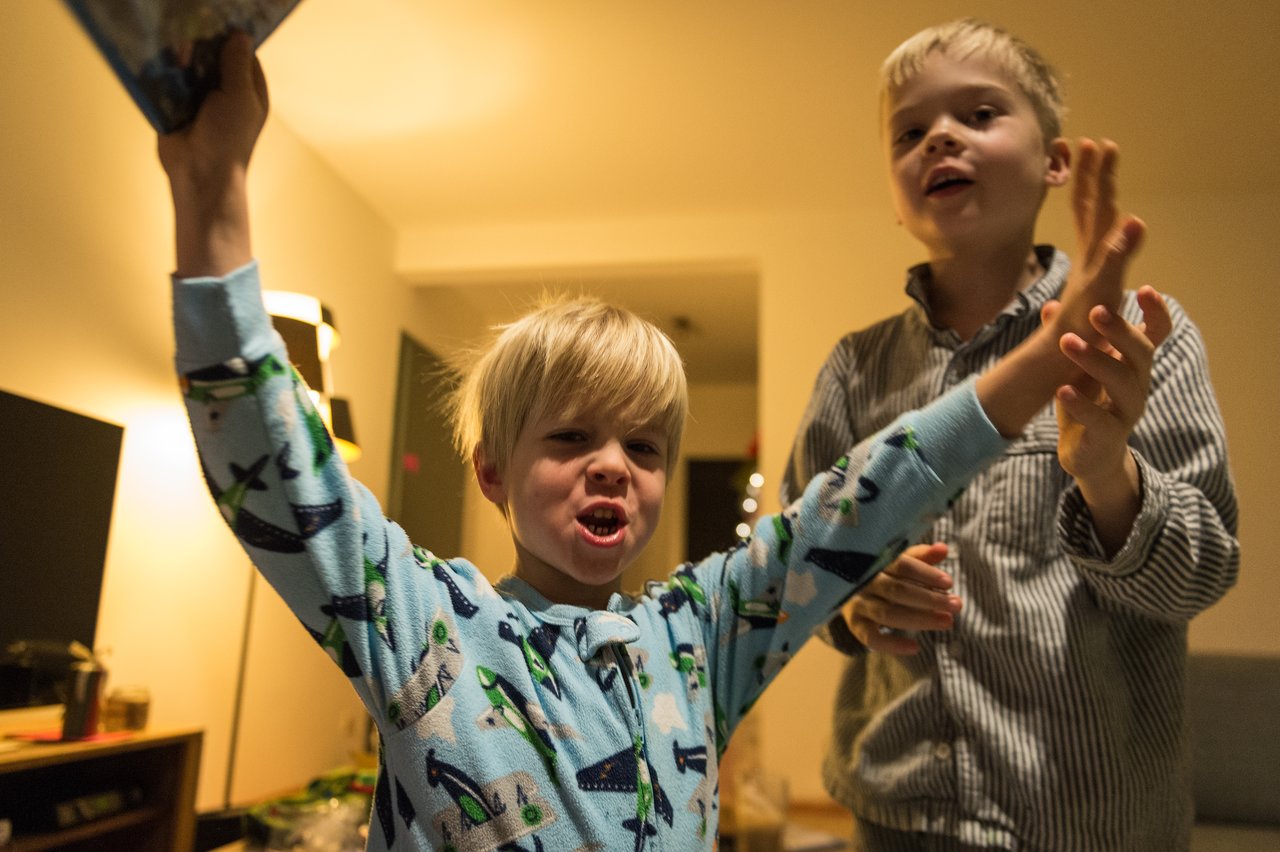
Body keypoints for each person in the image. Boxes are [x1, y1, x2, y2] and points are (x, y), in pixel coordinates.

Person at [162, 32, 1162, 851]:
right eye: (570, 438)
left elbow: (872, 491)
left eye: (643, 450)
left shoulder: (701, 634)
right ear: (493, 473)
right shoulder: (424, 622)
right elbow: (278, 463)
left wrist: (1046, 351)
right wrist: (213, 196)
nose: (613, 464)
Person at [781, 18, 1239, 852]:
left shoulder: (1145, 340)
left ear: (1055, 162)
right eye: (910, 132)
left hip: (1091, 823)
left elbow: (1199, 578)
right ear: (894, 191)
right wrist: (856, 598)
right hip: (894, 814)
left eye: (980, 113)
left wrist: (1109, 476)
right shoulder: (854, 370)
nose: (940, 139)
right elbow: (796, 565)